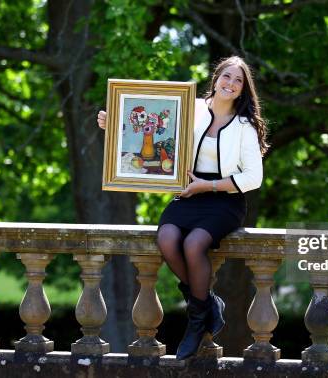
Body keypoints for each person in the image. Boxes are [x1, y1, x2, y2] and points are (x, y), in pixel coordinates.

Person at [96, 56, 268, 360]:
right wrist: (117, 126)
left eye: (238, 80)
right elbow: (156, 134)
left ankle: (197, 321)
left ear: (243, 90)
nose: (230, 83)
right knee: (166, 239)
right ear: (215, 79)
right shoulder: (191, 109)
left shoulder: (245, 127)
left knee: (193, 244)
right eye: (226, 76)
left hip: (224, 198)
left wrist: (207, 185)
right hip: (188, 193)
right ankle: (207, 303)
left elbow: (253, 178)